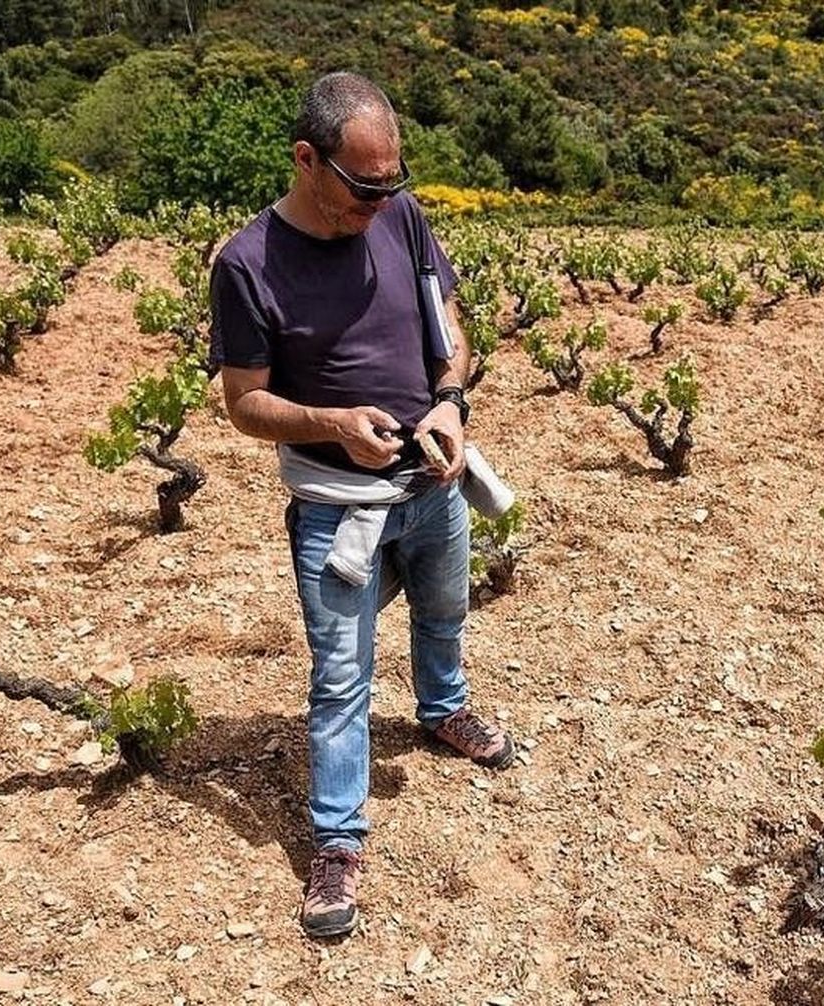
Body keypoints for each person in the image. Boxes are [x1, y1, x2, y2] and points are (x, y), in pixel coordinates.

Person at [209, 71, 513, 940]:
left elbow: (445, 319)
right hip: (337, 504)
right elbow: (242, 403)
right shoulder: (246, 263)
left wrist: (451, 400)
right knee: (341, 678)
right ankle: (338, 841)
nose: (381, 205)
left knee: (446, 613)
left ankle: (442, 706)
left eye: (393, 184)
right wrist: (330, 424)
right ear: (307, 160)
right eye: (362, 188)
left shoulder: (402, 217)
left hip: (432, 484)